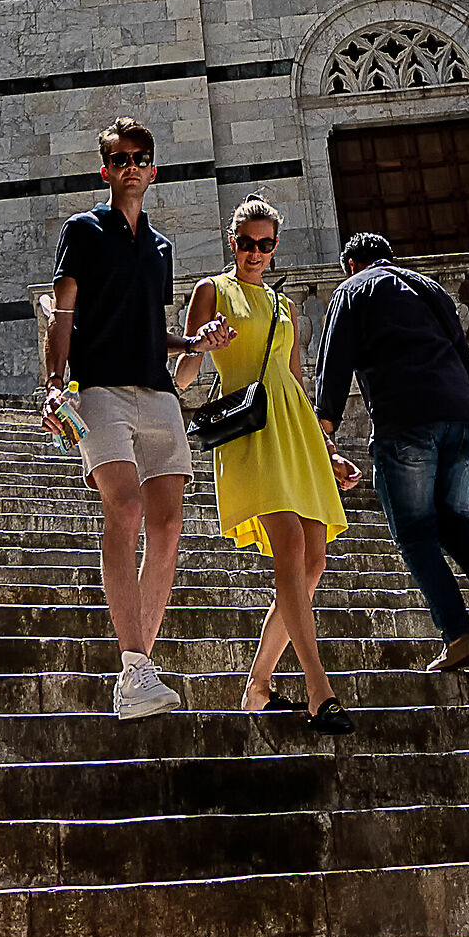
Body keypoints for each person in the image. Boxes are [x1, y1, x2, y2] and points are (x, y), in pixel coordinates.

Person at [41, 117, 232, 721]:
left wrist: (194, 342)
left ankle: (138, 671)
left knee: (170, 525)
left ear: (151, 169)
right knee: (123, 508)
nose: (130, 166)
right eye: (119, 158)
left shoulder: (160, 247)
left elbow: (152, 328)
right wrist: (53, 384)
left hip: (156, 393)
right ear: (107, 170)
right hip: (98, 390)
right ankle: (134, 664)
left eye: (139, 158)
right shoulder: (83, 230)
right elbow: (62, 310)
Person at [176, 198, 359, 731]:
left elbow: (297, 381)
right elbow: (185, 373)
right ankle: (319, 689)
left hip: (295, 431)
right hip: (250, 434)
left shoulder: (285, 307)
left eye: (266, 244)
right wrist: (198, 343)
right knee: (289, 546)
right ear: (231, 242)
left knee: (315, 561)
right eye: (246, 243)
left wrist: (327, 451)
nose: (255, 253)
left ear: (276, 249)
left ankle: (258, 684)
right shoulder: (212, 290)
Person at [313, 231, 469, 674]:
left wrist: (323, 430)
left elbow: (335, 365)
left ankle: (459, 637)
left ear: (351, 264)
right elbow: (465, 358)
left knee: (414, 530)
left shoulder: (352, 290)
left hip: (406, 421)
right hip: (463, 420)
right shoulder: (432, 290)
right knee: (451, 517)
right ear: (391, 257)